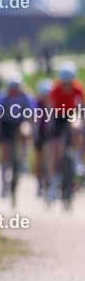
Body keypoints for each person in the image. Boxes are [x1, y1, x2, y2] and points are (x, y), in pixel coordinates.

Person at [48, 62, 84, 201]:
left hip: (71, 115)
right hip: (57, 116)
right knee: (55, 148)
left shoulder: (78, 89)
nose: (67, 86)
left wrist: (79, 121)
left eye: (70, 83)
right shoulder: (55, 89)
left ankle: (76, 158)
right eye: (65, 83)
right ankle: (52, 183)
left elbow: (80, 109)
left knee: (77, 127)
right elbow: (50, 109)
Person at [0, 74, 32, 197]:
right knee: (5, 152)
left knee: (25, 130)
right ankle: (4, 183)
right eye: (12, 88)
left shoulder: (27, 97)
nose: (15, 91)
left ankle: (24, 159)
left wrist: (32, 130)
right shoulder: (3, 97)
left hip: (20, 122)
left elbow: (32, 115)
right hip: (6, 124)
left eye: (17, 88)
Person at [33, 79, 55, 198]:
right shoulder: (37, 103)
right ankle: (39, 183)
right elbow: (35, 119)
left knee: (53, 154)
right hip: (40, 132)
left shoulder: (53, 103)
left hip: (51, 132)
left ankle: (53, 180)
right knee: (39, 157)